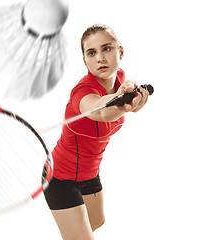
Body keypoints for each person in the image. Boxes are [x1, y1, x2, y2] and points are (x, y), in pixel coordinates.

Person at [43, 24, 149, 240]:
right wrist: (122, 101)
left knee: (96, 222)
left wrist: (134, 97)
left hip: (90, 172)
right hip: (61, 177)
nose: (100, 58)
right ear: (85, 60)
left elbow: (124, 103)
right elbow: (102, 112)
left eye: (107, 49)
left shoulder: (119, 79)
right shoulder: (82, 92)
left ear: (120, 51)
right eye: (92, 53)